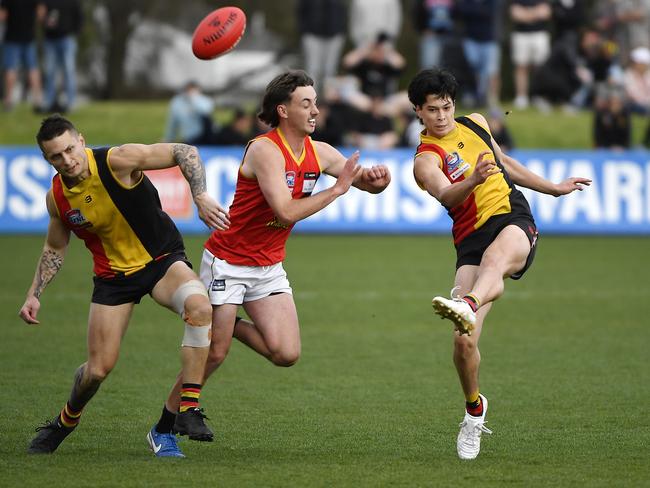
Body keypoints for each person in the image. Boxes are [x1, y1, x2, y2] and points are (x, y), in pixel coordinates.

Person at [150, 70, 391, 457]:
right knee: (215, 352)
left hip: (268, 267)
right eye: (306, 103)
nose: (315, 110)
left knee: (286, 353)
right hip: (228, 261)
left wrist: (378, 179)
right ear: (283, 110)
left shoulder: (322, 151)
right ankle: (164, 428)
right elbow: (285, 210)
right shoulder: (264, 149)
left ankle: (224, 323)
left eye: (315, 102)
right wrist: (338, 189)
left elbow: (361, 181)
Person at [19, 115, 231, 456]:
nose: (67, 160)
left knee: (199, 307)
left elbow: (183, 150)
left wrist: (200, 194)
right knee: (97, 370)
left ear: (81, 141)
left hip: (161, 262)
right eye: (55, 156)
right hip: (113, 279)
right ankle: (65, 422)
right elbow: (55, 248)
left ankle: (187, 410)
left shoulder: (117, 161)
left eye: (70, 149)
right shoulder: (57, 198)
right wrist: (35, 293)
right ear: (47, 160)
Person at [407, 68, 591, 460]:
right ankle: (474, 409)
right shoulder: (425, 160)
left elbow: (504, 162)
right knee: (462, 342)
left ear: (454, 105)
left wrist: (554, 187)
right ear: (418, 112)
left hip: (512, 219)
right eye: (432, 110)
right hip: (470, 239)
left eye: (447, 106)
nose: (442, 115)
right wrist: (472, 179)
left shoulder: (475, 124)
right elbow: (447, 195)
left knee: (493, 265)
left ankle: (468, 304)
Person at [0, 0, 45, 111]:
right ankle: (38, 100)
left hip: (12, 37)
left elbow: (2, 16)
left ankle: (9, 100)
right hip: (29, 37)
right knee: (33, 69)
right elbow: (41, 14)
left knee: (10, 69)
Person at [296, 0, 347, 97]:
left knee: (330, 70)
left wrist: (341, 30)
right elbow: (301, 10)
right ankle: (311, 99)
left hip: (334, 34)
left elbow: (342, 10)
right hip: (312, 34)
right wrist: (304, 30)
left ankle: (329, 101)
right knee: (313, 69)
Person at [41, 0, 83, 113]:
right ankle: (48, 102)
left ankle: (71, 102)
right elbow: (41, 16)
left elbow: (80, 17)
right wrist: (46, 23)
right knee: (50, 72)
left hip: (67, 39)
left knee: (69, 71)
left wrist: (74, 33)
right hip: (50, 40)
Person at [509, 0, 552, 109]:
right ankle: (521, 98)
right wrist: (535, 13)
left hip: (540, 34)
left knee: (541, 68)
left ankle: (539, 96)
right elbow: (515, 13)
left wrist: (526, 14)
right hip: (521, 34)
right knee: (521, 66)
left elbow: (546, 12)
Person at [164, 80, 217, 145]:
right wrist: (168, 139)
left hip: (205, 138)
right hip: (189, 139)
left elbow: (205, 113)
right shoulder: (176, 102)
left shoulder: (205, 100)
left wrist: (194, 99)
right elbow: (173, 123)